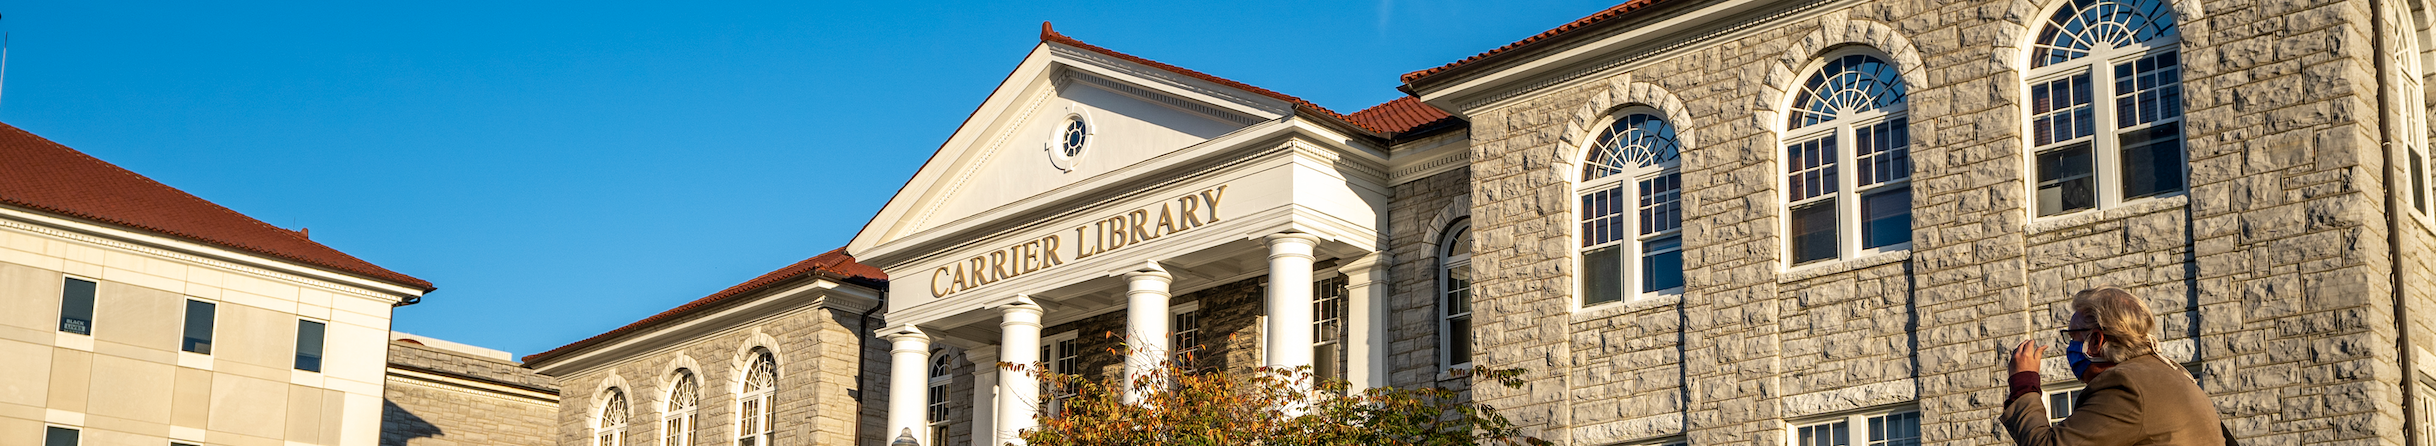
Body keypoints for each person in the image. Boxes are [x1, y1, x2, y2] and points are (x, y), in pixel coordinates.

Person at [2001, 287, 2229, 446]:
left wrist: (2024, 385)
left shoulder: (2124, 385)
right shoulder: (2173, 373)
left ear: (2096, 341)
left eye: (2073, 336)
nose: (2070, 346)